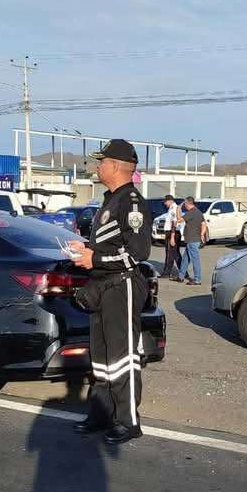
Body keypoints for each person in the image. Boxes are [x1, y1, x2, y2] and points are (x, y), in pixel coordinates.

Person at [68, 139, 153, 444]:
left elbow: (138, 252)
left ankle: (128, 421)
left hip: (122, 284)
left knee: (122, 356)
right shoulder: (111, 200)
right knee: (102, 356)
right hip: (101, 285)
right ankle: (101, 413)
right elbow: (111, 244)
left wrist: (96, 258)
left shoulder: (131, 203)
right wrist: (87, 249)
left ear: (116, 166)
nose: (97, 166)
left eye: (102, 162)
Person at [177, 197, 208, 285]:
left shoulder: (191, 212)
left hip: (192, 240)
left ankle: (197, 279)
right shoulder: (198, 212)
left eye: (184, 204)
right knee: (185, 259)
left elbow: (179, 220)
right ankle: (181, 276)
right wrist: (202, 234)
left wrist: (178, 209)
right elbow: (204, 224)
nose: (184, 206)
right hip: (193, 239)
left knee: (195, 260)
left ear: (187, 203)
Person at [161, 194, 182, 280]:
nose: (165, 204)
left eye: (165, 202)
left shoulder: (174, 208)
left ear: (170, 201)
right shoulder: (171, 208)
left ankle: (166, 273)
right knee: (175, 254)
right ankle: (183, 272)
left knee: (170, 253)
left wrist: (172, 237)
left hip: (172, 233)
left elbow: (174, 223)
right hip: (171, 233)